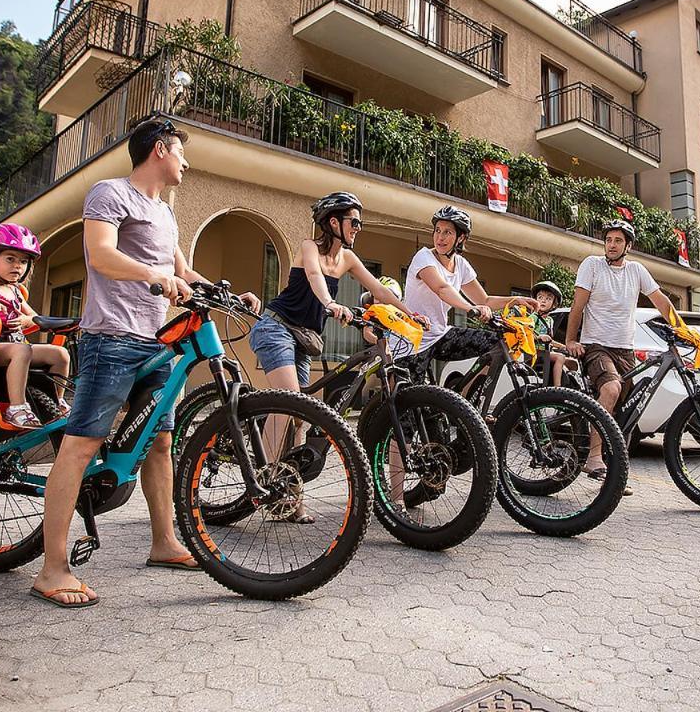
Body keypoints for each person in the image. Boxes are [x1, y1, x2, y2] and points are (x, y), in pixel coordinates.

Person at [31, 117, 260, 608]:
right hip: (111, 338)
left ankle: (164, 542)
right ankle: (52, 570)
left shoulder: (165, 213)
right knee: (80, 446)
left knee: (160, 442)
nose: (186, 161)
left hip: (156, 343)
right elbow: (101, 255)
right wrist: (156, 277)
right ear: (160, 150)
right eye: (181, 152)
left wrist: (224, 292)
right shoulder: (110, 193)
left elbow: (182, 272)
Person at [248, 192, 419, 522]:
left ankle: (291, 503)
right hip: (277, 328)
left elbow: (380, 291)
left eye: (360, 222)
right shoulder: (309, 247)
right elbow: (314, 277)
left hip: (305, 339)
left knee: (300, 417)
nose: (358, 227)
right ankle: (264, 485)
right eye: (353, 222)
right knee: (289, 402)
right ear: (333, 222)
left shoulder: (349, 259)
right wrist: (329, 304)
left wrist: (409, 314)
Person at [563, 220, 676, 496]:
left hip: (625, 349)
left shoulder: (637, 271)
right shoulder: (592, 265)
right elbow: (578, 305)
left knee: (627, 411)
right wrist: (570, 340)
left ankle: (615, 474)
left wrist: (681, 328)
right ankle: (593, 457)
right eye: (609, 240)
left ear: (628, 245)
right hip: (596, 346)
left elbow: (660, 300)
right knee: (610, 388)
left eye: (618, 241)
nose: (612, 245)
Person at [401, 205, 537, 387]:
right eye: (437, 231)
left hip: (440, 335)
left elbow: (484, 300)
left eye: (447, 232)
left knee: (498, 343)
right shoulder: (424, 257)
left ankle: (466, 396)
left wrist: (514, 300)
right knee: (410, 406)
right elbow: (442, 289)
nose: (440, 238)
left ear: (461, 237)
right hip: (413, 338)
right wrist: (470, 308)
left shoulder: (461, 265)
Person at [0, 223, 71, 429]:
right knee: (22, 351)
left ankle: (56, 402)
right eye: (10, 259)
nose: (18, 266)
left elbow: (34, 317)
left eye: (24, 261)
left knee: (60, 354)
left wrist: (29, 320)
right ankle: (17, 407)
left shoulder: (17, 292)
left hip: (16, 345)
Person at [529, 280, 567, 387]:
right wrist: (539, 337)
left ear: (554, 304)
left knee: (571, 362)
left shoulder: (550, 320)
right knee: (560, 358)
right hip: (535, 353)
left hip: (545, 351)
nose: (543, 301)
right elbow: (526, 333)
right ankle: (557, 387)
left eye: (548, 298)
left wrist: (563, 346)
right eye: (540, 297)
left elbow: (549, 340)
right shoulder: (534, 317)